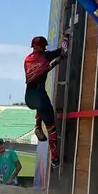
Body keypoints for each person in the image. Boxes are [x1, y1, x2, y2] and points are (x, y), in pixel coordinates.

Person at [24, 35, 67, 168]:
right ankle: (54, 158)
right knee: (51, 127)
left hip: (28, 96)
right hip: (40, 94)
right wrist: (66, 39)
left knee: (40, 107)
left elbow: (41, 71)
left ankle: (37, 126)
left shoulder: (27, 60)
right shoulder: (45, 56)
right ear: (42, 46)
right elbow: (63, 50)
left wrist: (55, 63)